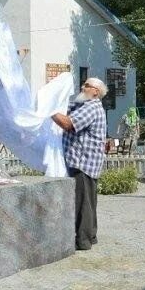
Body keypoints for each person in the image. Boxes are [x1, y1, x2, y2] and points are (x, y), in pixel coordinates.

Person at [52, 78, 108, 251]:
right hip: (87, 161)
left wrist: (48, 110)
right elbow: (68, 112)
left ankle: (82, 241)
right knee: (89, 201)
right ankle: (90, 235)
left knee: (83, 203)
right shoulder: (86, 105)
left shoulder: (91, 107)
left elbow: (68, 123)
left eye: (87, 86)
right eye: (83, 84)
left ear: (96, 91)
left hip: (83, 161)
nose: (83, 87)